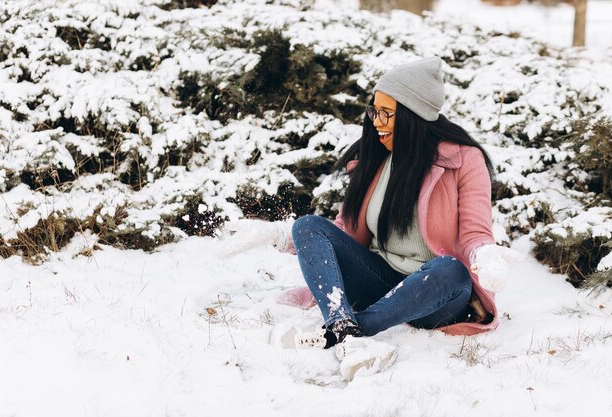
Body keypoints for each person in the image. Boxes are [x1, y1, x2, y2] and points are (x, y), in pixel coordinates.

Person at [219, 56, 522, 381]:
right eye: (374, 111)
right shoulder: (374, 159)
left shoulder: (463, 160)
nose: (377, 121)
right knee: (307, 225)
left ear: (414, 115)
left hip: (436, 293)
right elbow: (343, 234)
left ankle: (349, 330)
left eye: (387, 114)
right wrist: (279, 235)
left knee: (450, 269)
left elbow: (474, 232)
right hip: (379, 280)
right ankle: (341, 326)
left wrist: (484, 254)